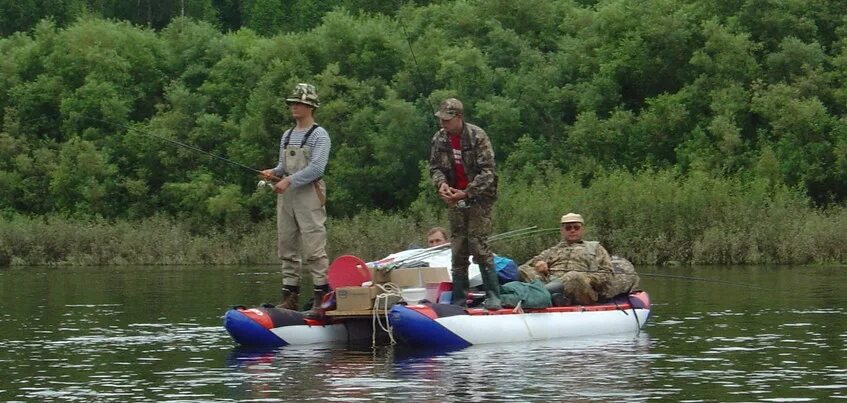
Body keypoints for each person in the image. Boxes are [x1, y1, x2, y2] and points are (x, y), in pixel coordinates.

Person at [260, 83, 331, 314]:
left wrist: (288, 180)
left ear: (310, 107)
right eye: (292, 103)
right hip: (286, 197)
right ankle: (289, 298)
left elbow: (317, 168)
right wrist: (273, 173)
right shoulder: (287, 135)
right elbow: (283, 166)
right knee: (287, 247)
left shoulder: (320, 135)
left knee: (314, 248)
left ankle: (322, 299)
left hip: (309, 194)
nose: (294, 107)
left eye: (298, 103)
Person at [428, 98, 501, 310]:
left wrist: (465, 193)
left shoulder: (477, 136)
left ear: (459, 117)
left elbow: (488, 172)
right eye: (441, 119)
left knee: (478, 244)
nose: (443, 123)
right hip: (453, 196)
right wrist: (441, 185)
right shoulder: (439, 139)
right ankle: (459, 299)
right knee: (458, 246)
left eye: (447, 120)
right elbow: (434, 167)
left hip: (479, 197)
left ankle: (493, 295)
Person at [519, 213, 625, 305]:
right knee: (522, 269)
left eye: (576, 227)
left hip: (582, 290)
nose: (572, 230)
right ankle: (548, 295)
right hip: (551, 283)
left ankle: (544, 295)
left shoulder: (595, 248)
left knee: (573, 276)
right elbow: (529, 265)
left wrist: (586, 278)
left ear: (582, 229)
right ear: (562, 231)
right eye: (568, 228)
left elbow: (607, 273)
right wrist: (539, 264)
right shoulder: (553, 250)